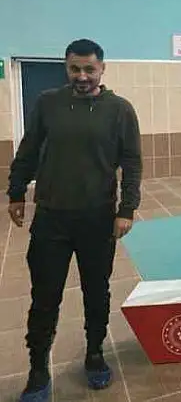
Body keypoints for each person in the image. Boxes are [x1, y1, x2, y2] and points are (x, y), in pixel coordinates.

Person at [6, 39, 142, 401]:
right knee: (44, 297)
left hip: (97, 219)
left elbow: (131, 163)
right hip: (51, 218)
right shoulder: (47, 103)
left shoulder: (119, 110)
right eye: (74, 69)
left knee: (96, 292)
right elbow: (29, 149)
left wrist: (127, 209)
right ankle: (38, 369)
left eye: (89, 69)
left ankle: (95, 354)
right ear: (66, 68)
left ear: (102, 69)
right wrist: (16, 191)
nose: (82, 76)